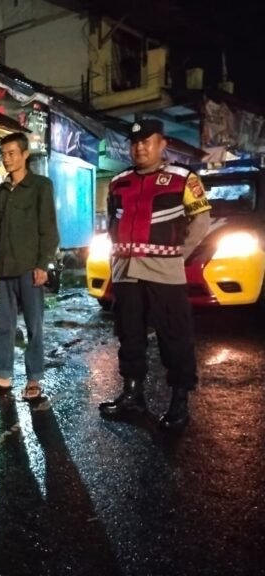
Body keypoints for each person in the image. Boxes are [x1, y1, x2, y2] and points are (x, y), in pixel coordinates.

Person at [98, 119, 211, 430]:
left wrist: (177, 256)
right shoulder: (119, 181)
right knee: (129, 335)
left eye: (147, 141)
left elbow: (201, 222)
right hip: (125, 273)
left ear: (163, 144)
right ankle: (132, 396)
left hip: (164, 272)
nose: (140, 147)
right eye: (135, 141)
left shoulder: (183, 179)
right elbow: (112, 221)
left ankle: (179, 403)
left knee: (174, 336)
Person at [0, 132, 60, 401]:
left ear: (25, 155)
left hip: (30, 269)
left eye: (12, 153)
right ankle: (3, 376)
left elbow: (49, 230)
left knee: (34, 326)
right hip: (5, 269)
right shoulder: (0, 191)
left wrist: (42, 264)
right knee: (3, 326)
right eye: (3, 154)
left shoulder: (41, 186)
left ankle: (34, 379)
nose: (6, 159)